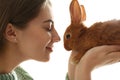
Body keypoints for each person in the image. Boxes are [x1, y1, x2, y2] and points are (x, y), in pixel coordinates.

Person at [0, 0, 120, 80]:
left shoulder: (20, 75)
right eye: (48, 28)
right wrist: (85, 69)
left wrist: (74, 70)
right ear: (11, 32)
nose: (57, 38)